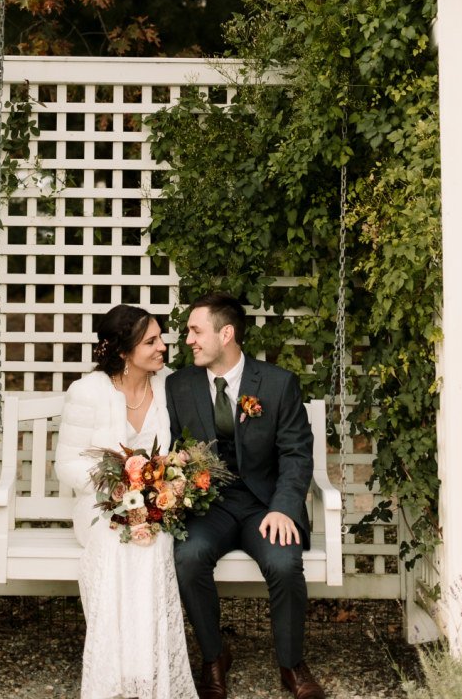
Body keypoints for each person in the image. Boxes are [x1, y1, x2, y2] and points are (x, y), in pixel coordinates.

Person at [166, 292, 326, 699]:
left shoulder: (276, 384)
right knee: (187, 557)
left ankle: (291, 664)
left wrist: (285, 509)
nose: (189, 340)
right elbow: (167, 446)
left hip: (263, 506)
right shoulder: (179, 386)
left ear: (227, 333)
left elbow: (295, 453)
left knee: (284, 562)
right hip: (209, 506)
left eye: (196, 331)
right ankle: (214, 657)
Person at [54, 304, 199, 699]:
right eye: (151, 341)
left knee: (155, 543)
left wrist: (163, 483)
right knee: (118, 544)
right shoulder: (88, 392)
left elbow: (184, 450)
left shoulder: (170, 386)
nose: (163, 347)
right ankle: (114, 677)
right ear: (122, 351)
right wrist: (118, 484)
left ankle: (149, 674)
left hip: (157, 504)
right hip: (101, 508)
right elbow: (65, 465)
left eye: (161, 338)